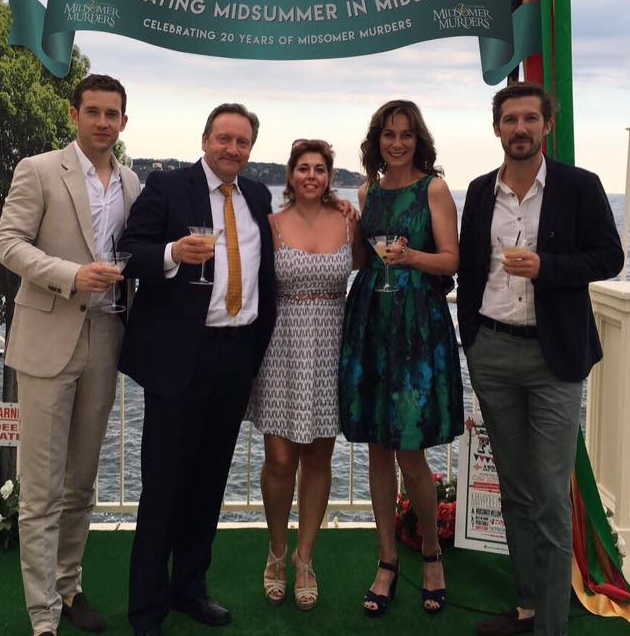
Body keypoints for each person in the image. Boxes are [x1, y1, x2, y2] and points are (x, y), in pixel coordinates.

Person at [457, 82, 624, 636]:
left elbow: (610, 257)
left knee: (551, 497)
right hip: (493, 352)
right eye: (510, 119)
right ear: (497, 128)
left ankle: (551, 627)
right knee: (515, 490)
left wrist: (546, 267)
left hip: (555, 359)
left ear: (547, 125)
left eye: (530, 118)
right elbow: (470, 269)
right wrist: (472, 339)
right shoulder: (480, 190)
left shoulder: (579, 186)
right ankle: (528, 608)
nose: (520, 128)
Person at [118, 103, 277, 636]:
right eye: (224, 138)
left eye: (242, 142)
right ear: (205, 139)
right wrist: (171, 252)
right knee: (164, 486)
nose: (232, 149)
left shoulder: (257, 196)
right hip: (180, 359)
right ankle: (147, 608)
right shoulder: (167, 186)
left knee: (209, 483)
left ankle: (191, 588)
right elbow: (129, 252)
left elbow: (267, 271)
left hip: (235, 357)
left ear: (250, 149)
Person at [0, 73, 141, 636]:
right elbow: (7, 244)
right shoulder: (38, 170)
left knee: (81, 482)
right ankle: (43, 615)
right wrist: (70, 275)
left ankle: (68, 585)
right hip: (48, 339)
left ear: (123, 121)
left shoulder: (131, 182)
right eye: (93, 111)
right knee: (41, 488)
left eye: (112, 113)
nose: (103, 122)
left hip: (106, 337)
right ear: (74, 114)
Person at [338, 99, 464, 617]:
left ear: (418, 141)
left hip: (416, 327)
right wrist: (349, 227)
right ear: (377, 141)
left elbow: (453, 259)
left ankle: (432, 555)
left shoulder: (433, 188)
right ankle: (387, 560)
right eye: (388, 135)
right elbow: (359, 261)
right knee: (376, 447)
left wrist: (411, 256)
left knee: (411, 450)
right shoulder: (366, 192)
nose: (396, 143)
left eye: (405, 135)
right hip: (371, 320)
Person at [246, 139, 363, 610]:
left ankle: (305, 558)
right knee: (279, 460)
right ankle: (276, 551)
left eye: (319, 169)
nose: (311, 176)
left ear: (329, 176)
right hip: (281, 347)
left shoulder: (349, 222)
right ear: (291, 175)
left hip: (332, 345)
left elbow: (365, 265)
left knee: (318, 457)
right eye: (303, 168)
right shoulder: (271, 224)